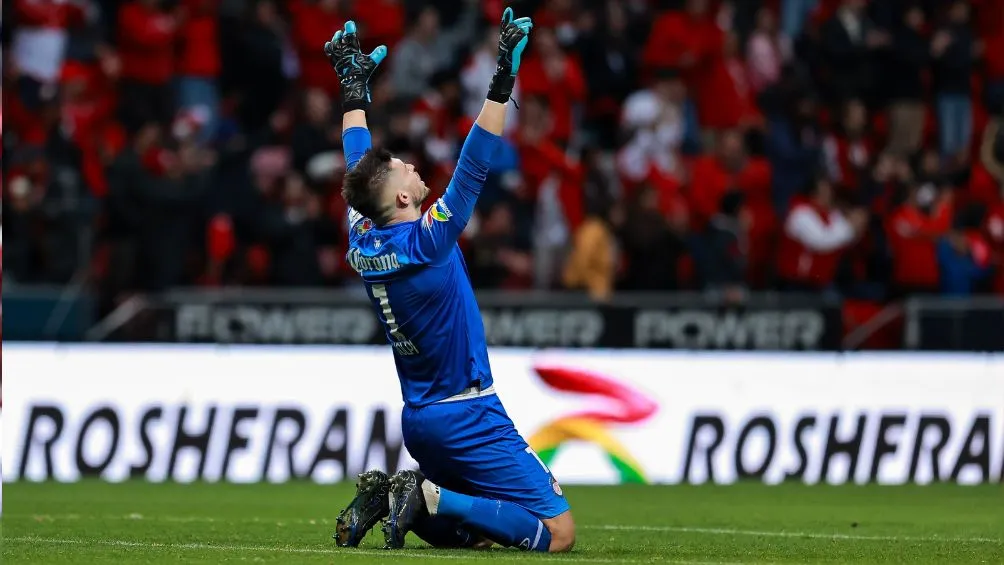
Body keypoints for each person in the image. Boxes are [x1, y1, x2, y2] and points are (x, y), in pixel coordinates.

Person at [324, 13, 575, 553]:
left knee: (477, 537)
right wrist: (502, 80)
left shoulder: (363, 239)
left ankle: (401, 495)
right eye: (401, 169)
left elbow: (356, 163)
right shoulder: (428, 241)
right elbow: (474, 165)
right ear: (402, 200)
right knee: (557, 534)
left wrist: (352, 94)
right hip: (467, 412)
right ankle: (424, 495)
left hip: (420, 419)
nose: (411, 166)